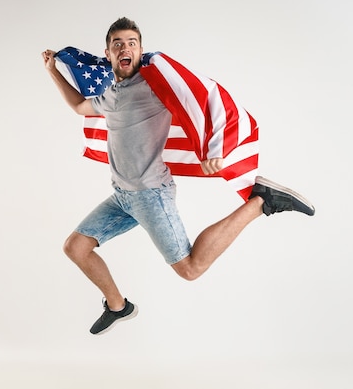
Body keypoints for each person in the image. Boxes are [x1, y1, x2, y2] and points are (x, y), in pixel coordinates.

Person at [42, 17, 314, 335]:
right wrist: (53, 72)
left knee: (189, 268)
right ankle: (118, 306)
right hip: (122, 195)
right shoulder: (111, 95)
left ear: (141, 50)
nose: (125, 48)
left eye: (132, 42)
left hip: (150, 194)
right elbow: (78, 106)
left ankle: (259, 203)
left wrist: (213, 148)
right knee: (75, 247)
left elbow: (202, 96)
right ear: (108, 53)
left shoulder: (153, 83)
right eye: (118, 44)